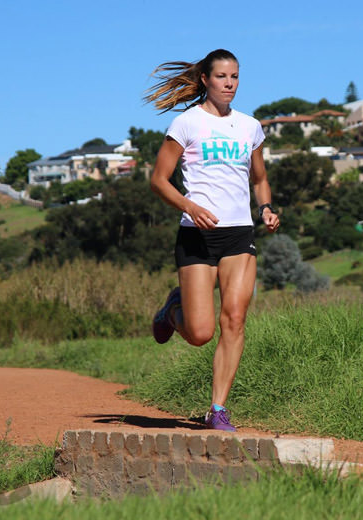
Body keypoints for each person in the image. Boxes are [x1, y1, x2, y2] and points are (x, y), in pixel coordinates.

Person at [146, 49, 279, 432]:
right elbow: (158, 179)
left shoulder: (250, 127)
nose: (230, 84)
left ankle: (217, 409)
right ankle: (173, 309)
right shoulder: (186, 124)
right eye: (222, 77)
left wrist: (266, 208)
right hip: (197, 236)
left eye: (235, 77)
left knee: (235, 319)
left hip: (239, 235)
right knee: (201, 333)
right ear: (205, 79)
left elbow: (259, 178)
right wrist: (190, 206)